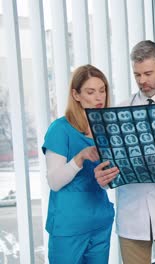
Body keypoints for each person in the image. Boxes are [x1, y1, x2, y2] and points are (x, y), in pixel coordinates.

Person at [94, 40, 155, 264]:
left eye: (148, 73)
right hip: (132, 215)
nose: (142, 81)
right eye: (137, 75)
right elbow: (110, 160)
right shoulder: (118, 111)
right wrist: (104, 176)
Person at [42, 64, 117, 263]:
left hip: (100, 222)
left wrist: (108, 180)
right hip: (68, 226)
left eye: (102, 91)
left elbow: (108, 179)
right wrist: (80, 158)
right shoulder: (60, 129)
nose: (99, 97)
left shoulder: (108, 129)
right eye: (90, 92)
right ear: (76, 94)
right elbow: (54, 182)